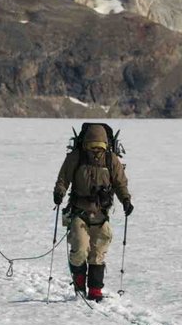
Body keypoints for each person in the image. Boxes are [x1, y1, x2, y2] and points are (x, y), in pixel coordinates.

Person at [52, 123, 133, 301]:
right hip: (79, 212)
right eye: (92, 146)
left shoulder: (111, 160)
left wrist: (126, 200)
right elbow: (63, 178)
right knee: (80, 249)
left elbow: (120, 183)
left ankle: (95, 291)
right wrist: (59, 192)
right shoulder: (76, 157)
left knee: (98, 252)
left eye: (100, 147)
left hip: (101, 214)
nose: (96, 151)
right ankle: (79, 287)